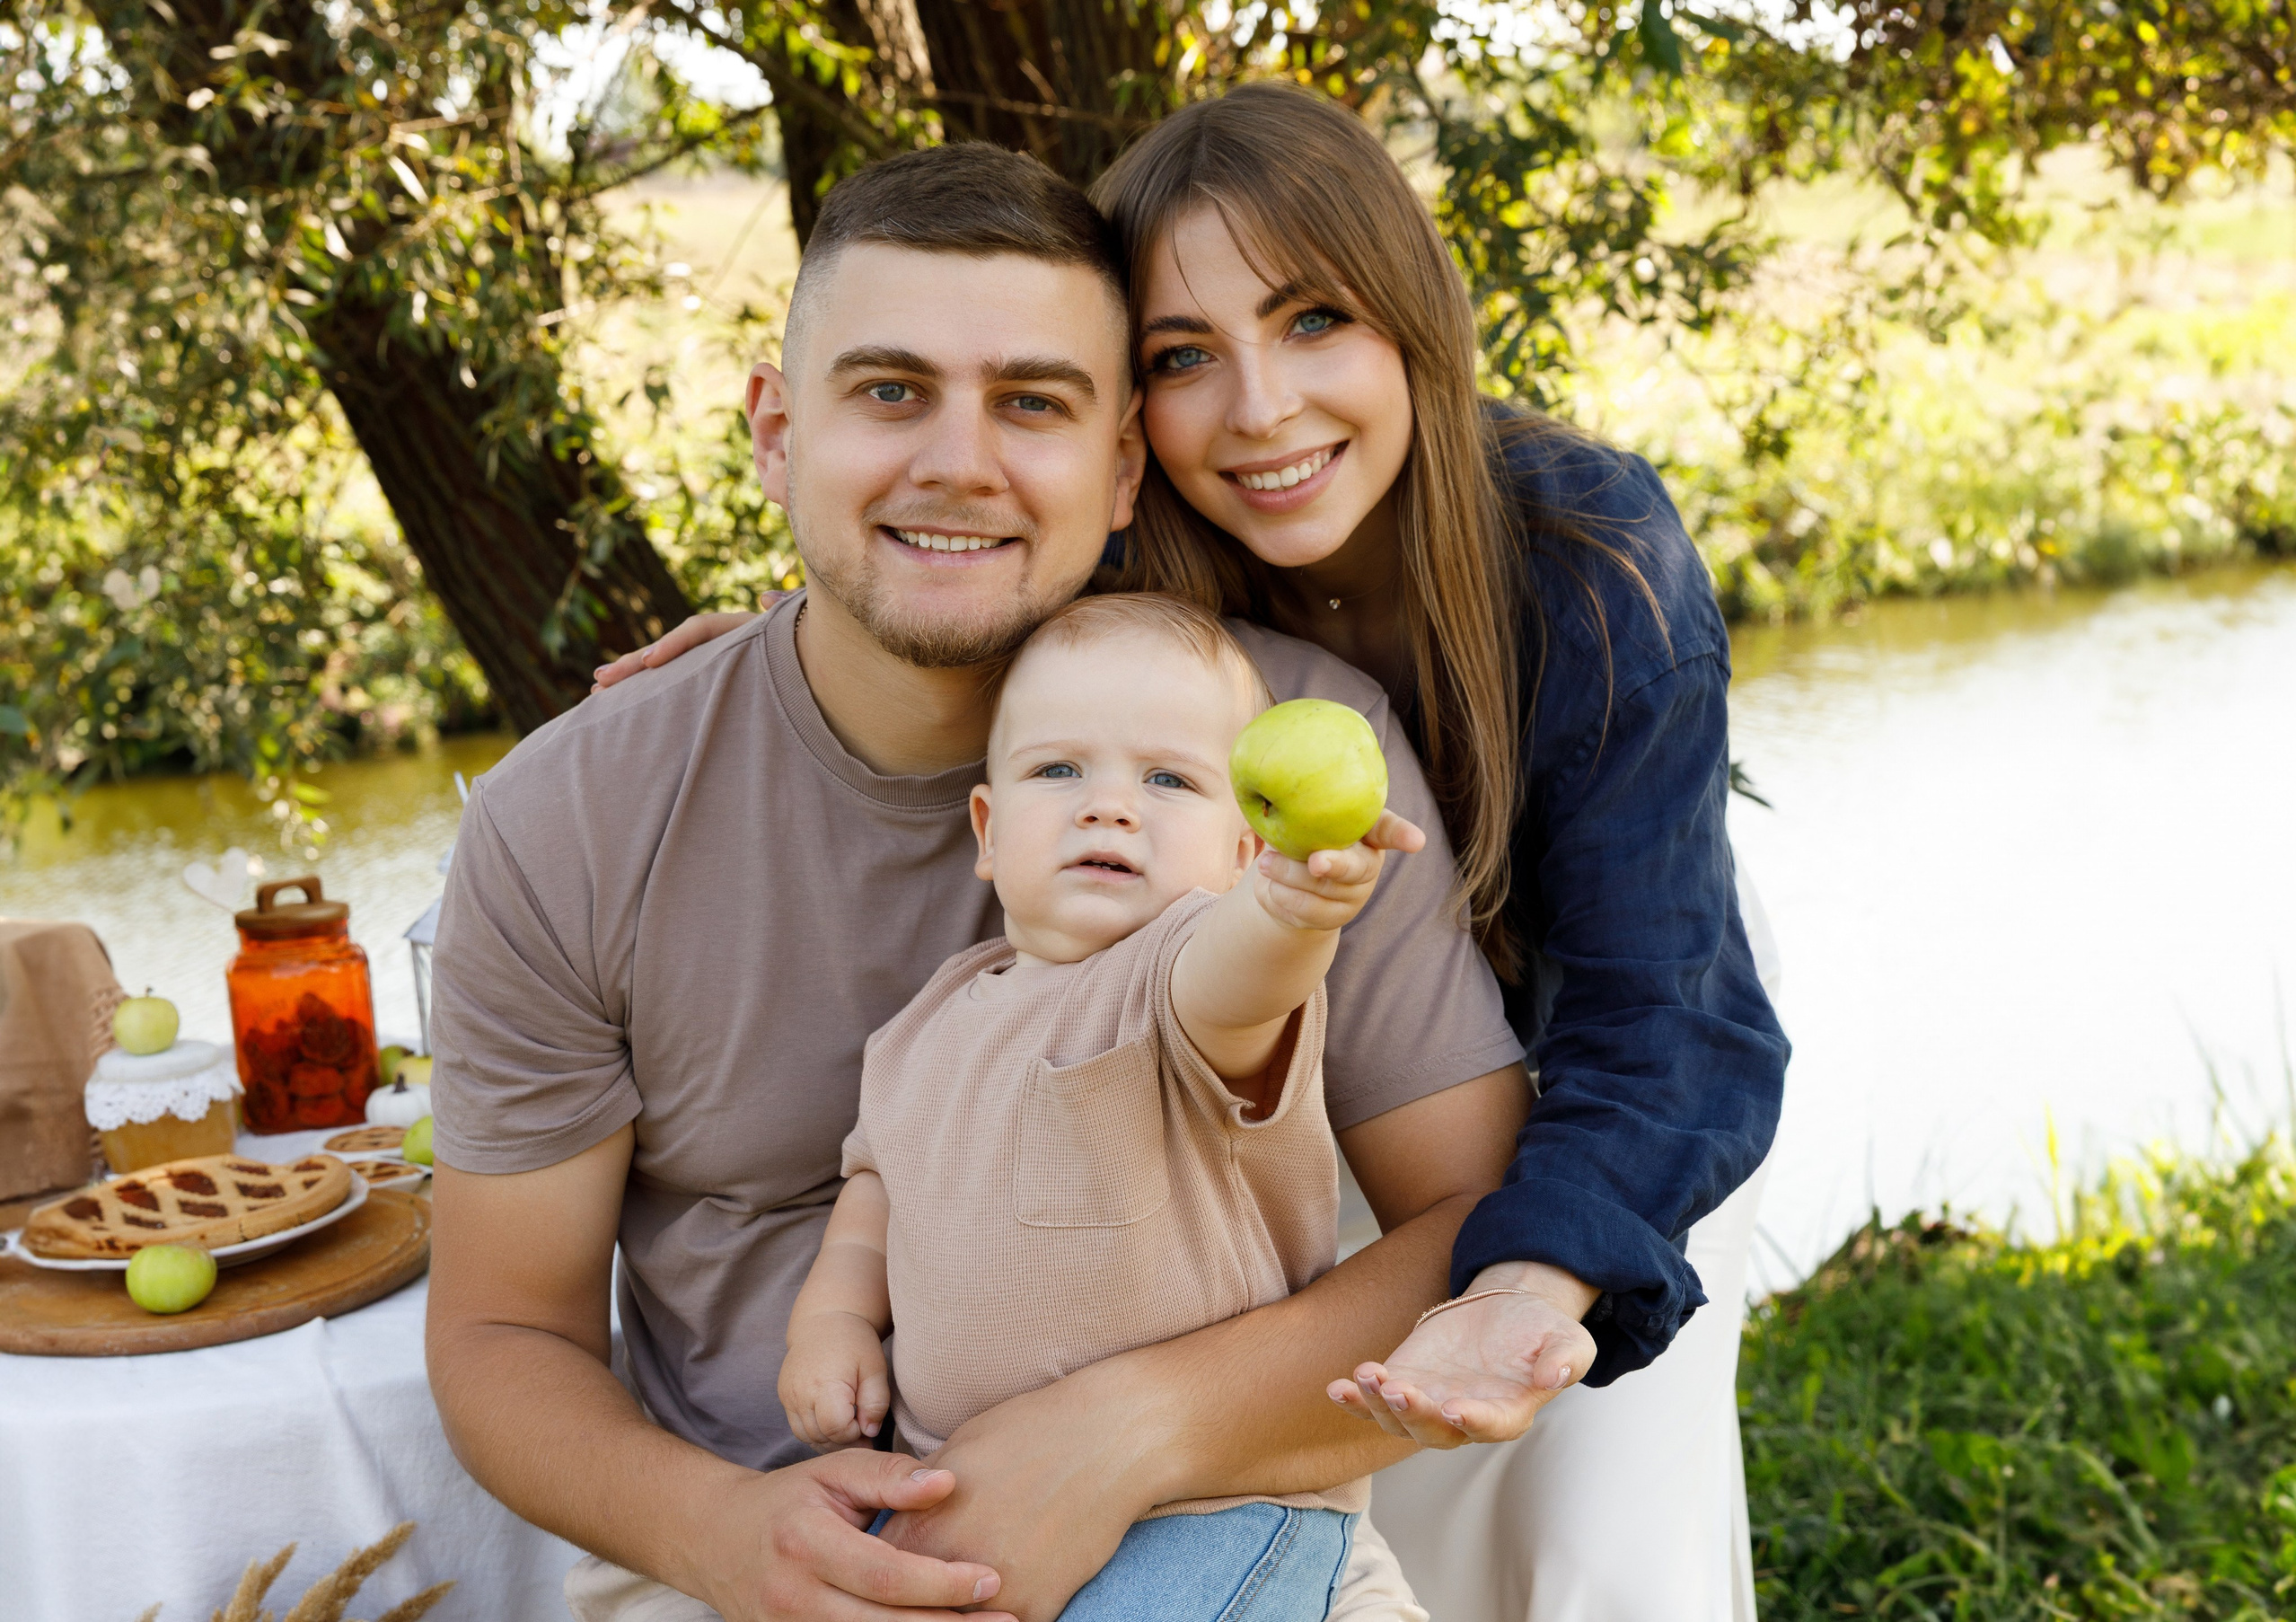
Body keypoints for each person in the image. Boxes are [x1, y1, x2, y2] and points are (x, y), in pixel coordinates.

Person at [608, 84, 1791, 1620]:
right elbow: (952, 585)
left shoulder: (1587, 556)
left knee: (1584, 1535)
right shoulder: (1136, 534)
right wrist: (781, 639)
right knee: (1331, 1479)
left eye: (1315, 321)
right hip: (1280, 1052)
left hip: (1613, 1062)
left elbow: (1665, 1010)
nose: (1259, 409)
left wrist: (1531, 1273)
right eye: (1183, 356)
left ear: (1416, 320)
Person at [427, 141, 1534, 1622]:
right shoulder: (569, 818)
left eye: (1032, 403)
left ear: (1123, 466)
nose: (959, 462)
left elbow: (1479, 1221)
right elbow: (504, 1332)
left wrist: (1132, 1434)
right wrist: (722, 1536)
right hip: (740, 1553)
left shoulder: (1281, 753)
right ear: (777, 432)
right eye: (891, 392)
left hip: (1212, 1526)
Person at [782, 591, 1427, 1620]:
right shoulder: (925, 1025)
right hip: (968, 1493)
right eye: (1058, 771)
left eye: (1168, 780)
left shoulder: (1172, 980)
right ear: (987, 830)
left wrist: (1294, 914)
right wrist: (832, 1322)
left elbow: (1242, 975)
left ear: (1242, 851)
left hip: (1211, 1502)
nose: (1109, 806)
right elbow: (876, 1190)